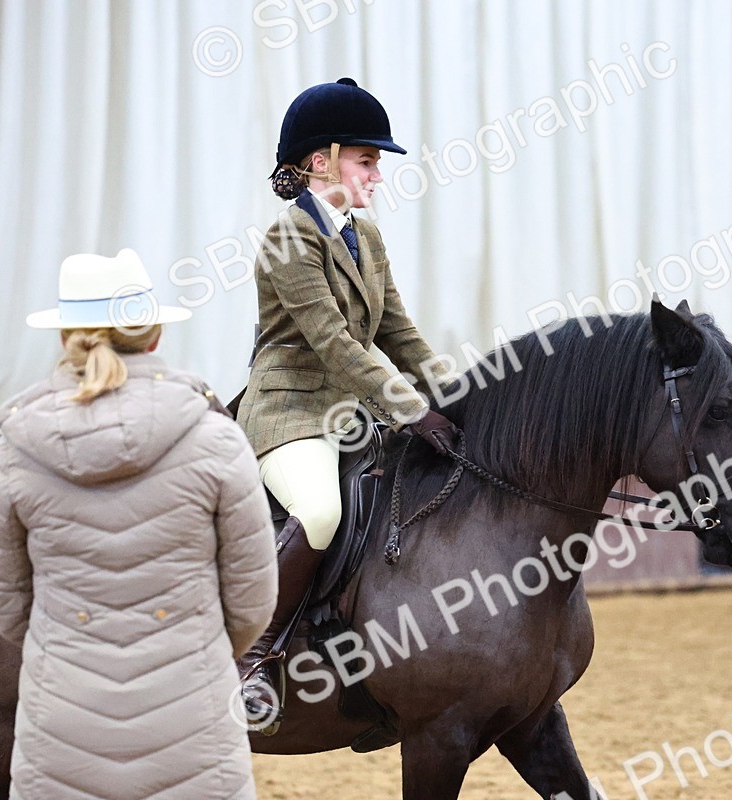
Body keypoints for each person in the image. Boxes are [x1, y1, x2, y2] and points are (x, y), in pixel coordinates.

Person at [0, 249, 277, 799]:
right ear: (154, 334)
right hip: (194, 723)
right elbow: (253, 602)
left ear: (67, 337)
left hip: (61, 727)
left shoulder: (16, 448)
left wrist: (69, 640)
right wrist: (196, 646)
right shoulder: (216, 438)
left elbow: (7, 608)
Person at [234, 77, 458, 731]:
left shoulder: (369, 238)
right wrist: (412, 409)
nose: (377, 174)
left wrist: (457, 394)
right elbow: (335, 344)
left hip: (354, 412)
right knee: (323, 510)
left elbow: (398, 333)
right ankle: (252, 657)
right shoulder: (286, 241)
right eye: (366, 159)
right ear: (319, 161)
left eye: (377, 162)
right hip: (290, 411)